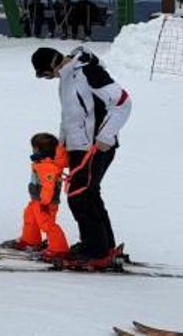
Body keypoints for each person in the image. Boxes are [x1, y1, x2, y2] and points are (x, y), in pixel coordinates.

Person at [31, 46, 132, 269]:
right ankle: (103, 246)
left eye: (46, 73)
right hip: (79, 147)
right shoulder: (67, 78)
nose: (48, 78)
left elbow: (123, 102)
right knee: (89, 193)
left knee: (79, 197)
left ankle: (95, 252)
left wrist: (106, 135)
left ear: (55, 62)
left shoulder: (88, 72)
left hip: (95, 146)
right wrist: (61, 147)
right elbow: (69, 115)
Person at [6, 132, 70, 260]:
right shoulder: (42, 162)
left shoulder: (48, 166)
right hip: (36, 200)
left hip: (45, 203)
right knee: (30, 217)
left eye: (34, 147)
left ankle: (59, 250)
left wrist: (44, 203)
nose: (32, 150)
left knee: (47, 224)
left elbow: (48, 186)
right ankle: (30, 240)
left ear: (39, 149)